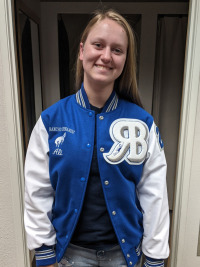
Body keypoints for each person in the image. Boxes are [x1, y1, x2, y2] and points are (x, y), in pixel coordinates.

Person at [24, 9, 170, 267]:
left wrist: (155, 257)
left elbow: (154, 193)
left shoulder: (142, 124)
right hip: (69, 256)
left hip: (124, 257)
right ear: (82, 51)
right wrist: (44, 253)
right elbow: (37, 191)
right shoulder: (51, 121)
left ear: (125, 60)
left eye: (117, 50)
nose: (106, 56)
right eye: (98, 45)